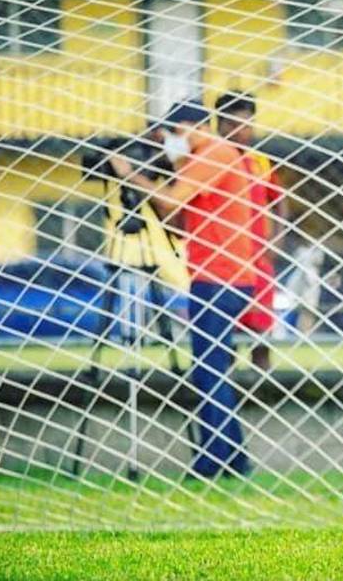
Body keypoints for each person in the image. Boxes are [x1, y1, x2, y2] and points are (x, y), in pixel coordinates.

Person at [112, 99, 255, 479]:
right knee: (214, 369)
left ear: (192, 126)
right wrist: (157, 176)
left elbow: (174, 199)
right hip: (220, 276)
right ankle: (234, 457)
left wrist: (130, 174)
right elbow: (177, 221)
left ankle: (213, 459)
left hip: (221, 277)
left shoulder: (215, 152)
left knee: (208, 371)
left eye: (172, 133)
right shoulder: (202, 160)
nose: (171, 141)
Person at [216, 90, 285, 371]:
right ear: (218, 124)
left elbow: (279, 200)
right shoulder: (211, 160)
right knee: (224, 342)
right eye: (232, 125)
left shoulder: (259, 162)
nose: (240, 132)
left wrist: (277, 238)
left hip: (257, 260)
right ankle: (227, 400)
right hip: (222, 261)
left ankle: (264, 400)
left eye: (246, 125)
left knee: (261, 340)